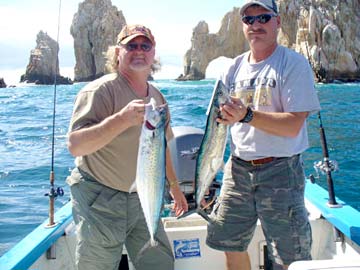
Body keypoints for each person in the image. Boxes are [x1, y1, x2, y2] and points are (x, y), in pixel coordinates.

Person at [206, 1, 321, 269]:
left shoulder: (293, 64)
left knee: (291, 256)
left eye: (263, 18)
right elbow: (218, 126)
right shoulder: (231, 69)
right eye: (248, 19)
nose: (255, 25)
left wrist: (247, 115)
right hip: (237, 170)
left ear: (277, 22)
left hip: (281, 170)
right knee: (230, 245)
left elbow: (294, 125)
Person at [66, 24, 188, 270]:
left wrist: (175, 188)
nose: (139, 51)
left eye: (145, 46)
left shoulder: (158, 98)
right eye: (131, 45)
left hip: (143, 197)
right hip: (100, 199)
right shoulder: (100, 91)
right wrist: (120, 120)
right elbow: (75, 145)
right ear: (117, 52)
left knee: (160, 264)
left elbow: (161, 148)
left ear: (153, 53)